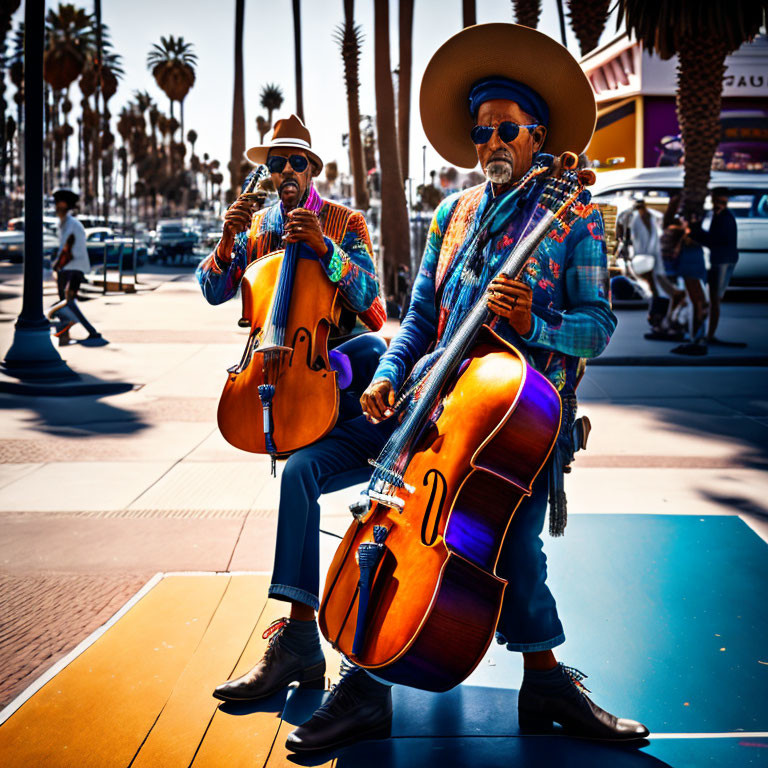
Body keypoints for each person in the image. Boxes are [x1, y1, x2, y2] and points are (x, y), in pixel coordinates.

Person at [284, 23, 649, 755]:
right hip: (426, 411)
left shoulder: (574, 217)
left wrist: (534, 321)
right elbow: (419, 315)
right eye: (480, 134)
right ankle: (317, 650)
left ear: (537, 134)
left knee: (510, 552)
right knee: (308, 469)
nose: (490, 146)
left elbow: (598, 325)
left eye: (505, 131)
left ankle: (527, 685)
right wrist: (387, 378)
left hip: (514, 424)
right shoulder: (452, 216)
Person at [197, 115, 388, 701]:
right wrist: (226, 244)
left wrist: (324, 251)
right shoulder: (256, 227)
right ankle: (302, 641)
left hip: (339, 374)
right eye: (274, 162)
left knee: (372, 349)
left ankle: (307, 642)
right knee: (300, 474)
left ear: (313, 171)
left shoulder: (344, 221)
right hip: (275, 372)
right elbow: (215, 291)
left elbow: (372, 301)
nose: (284, 171)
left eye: (295, 162)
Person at [47, 189, 104, 346]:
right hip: (69, 268)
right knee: (65, 302)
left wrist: (56, 266)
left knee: (67, 302)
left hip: (72, 269)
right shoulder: (65, 224)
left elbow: (66, 248)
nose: (56, 207)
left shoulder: (71, 224)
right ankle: (65, 336)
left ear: (64, 205)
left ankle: (91, 331)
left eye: (58, 203)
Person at [689, 188, 744, 347]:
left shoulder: (724, 218)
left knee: (714, 299)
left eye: (722, 202)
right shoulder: (721, 216)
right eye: (717, 201)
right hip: (723, 259)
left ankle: (709, 335)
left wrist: (694, 231)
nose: (718, 205)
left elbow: (713, 240)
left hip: (722, 261)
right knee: (714, 298)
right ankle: (708, 334)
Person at [659, 194, 709, 356]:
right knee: (697, 300)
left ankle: (696, 338)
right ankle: (694, 335)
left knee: (696, 300)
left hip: (689, 263)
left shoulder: (687, 230)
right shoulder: (686, 230)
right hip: (692, 262)